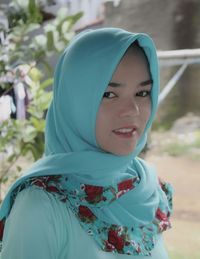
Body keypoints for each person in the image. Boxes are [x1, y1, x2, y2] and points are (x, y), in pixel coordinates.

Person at [0, 28, 173, 259]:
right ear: (74, 101)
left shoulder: (146, 187)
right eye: (109, 94)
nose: (133, 110)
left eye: (142, 93)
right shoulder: (41, 206)